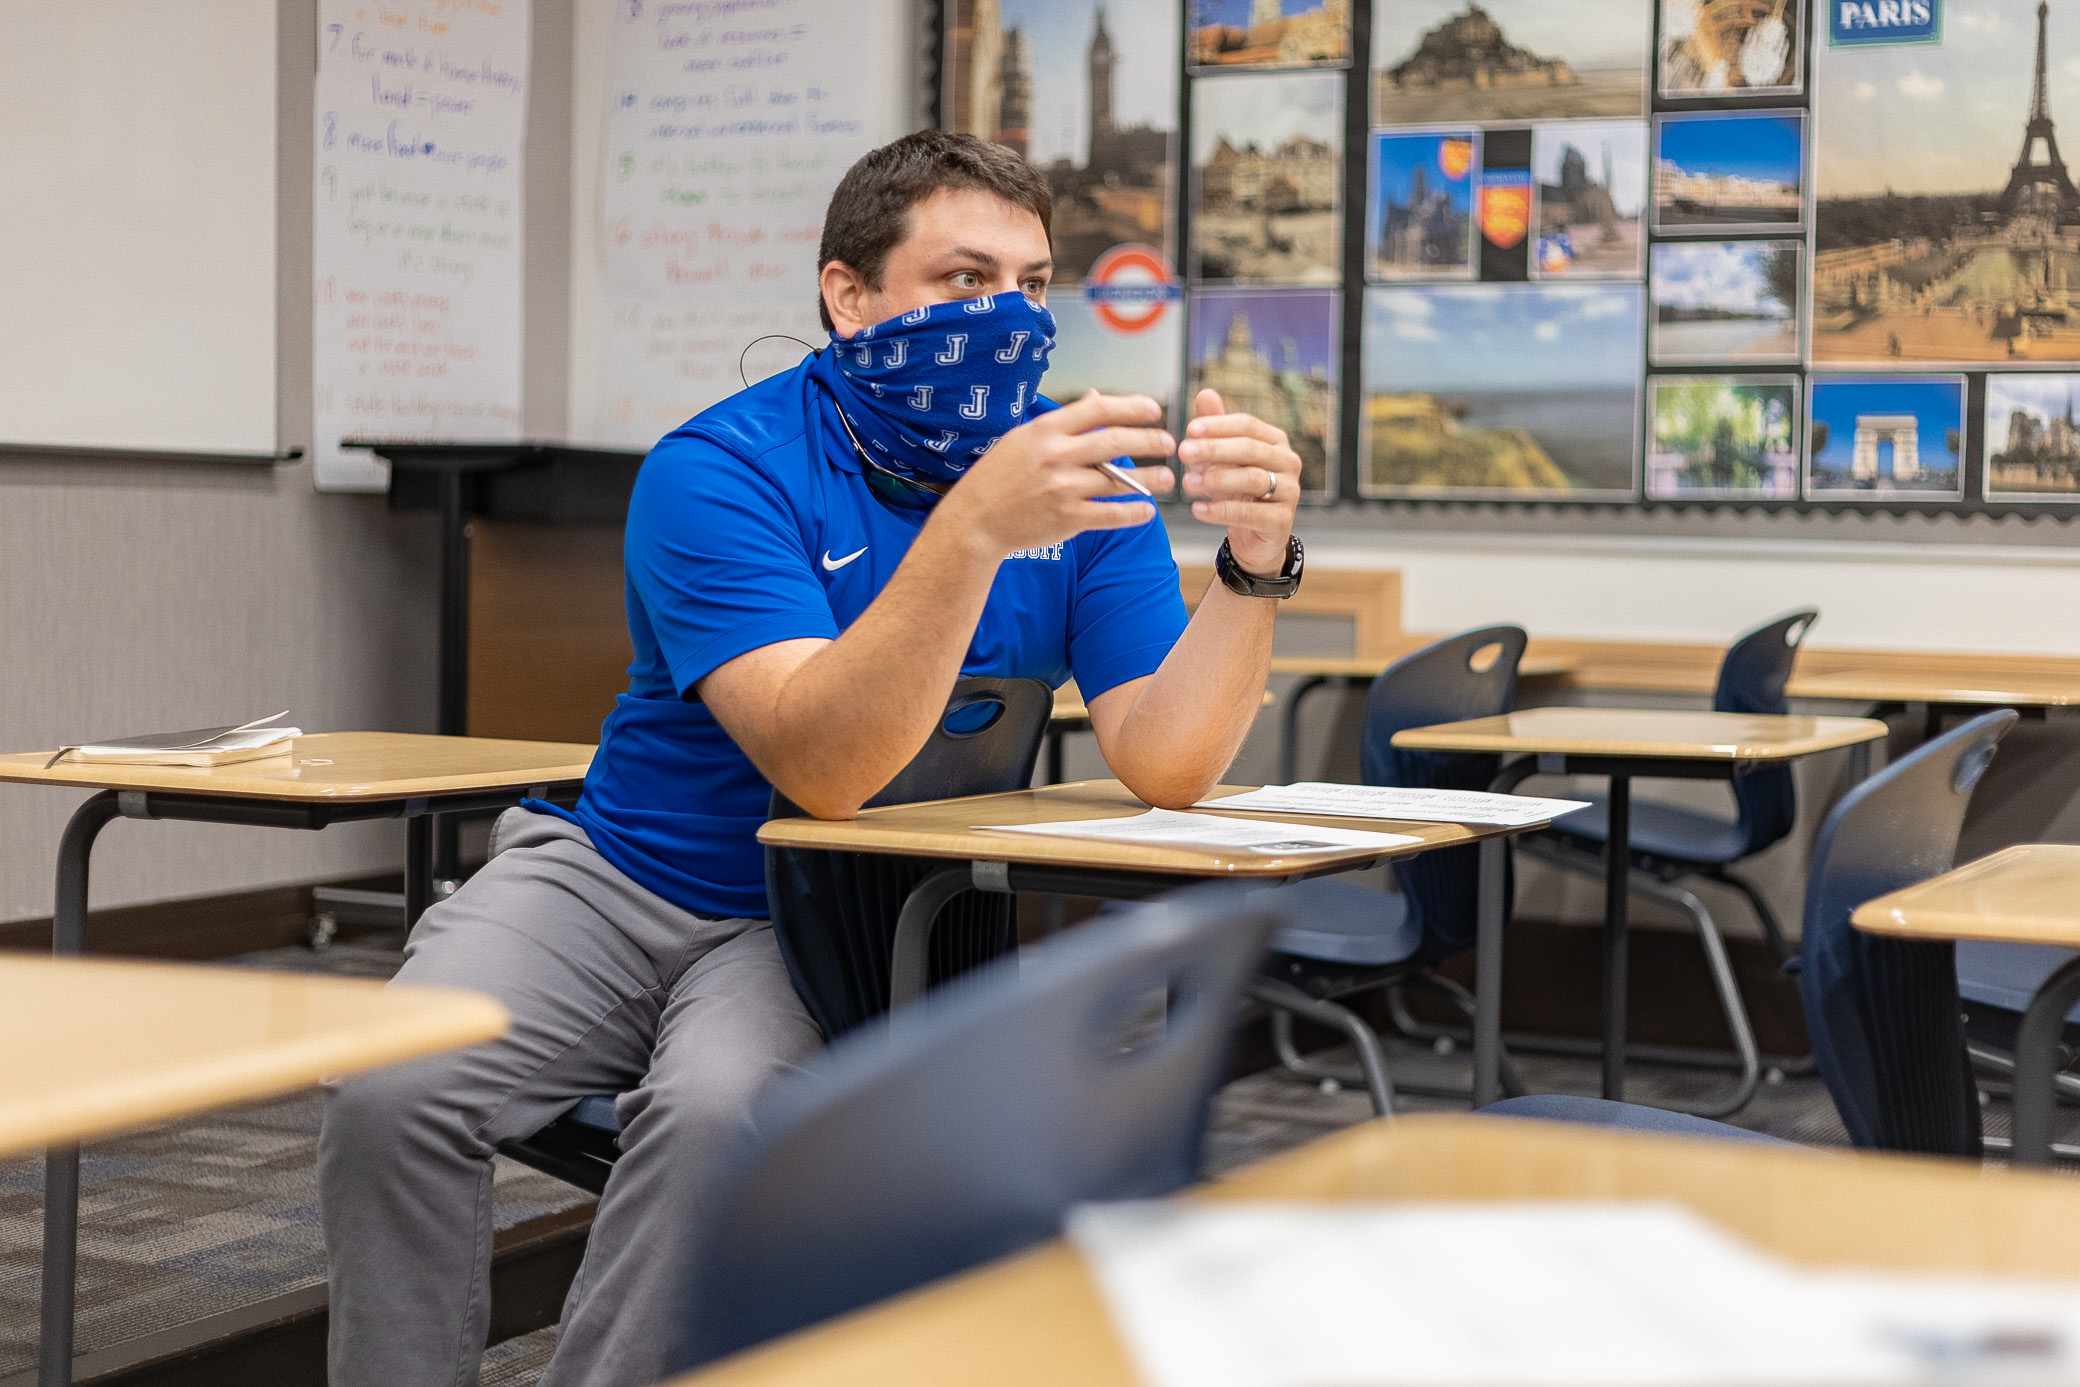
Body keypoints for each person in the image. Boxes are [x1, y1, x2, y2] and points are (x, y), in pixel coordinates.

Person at [318, 128, 1303, 1387]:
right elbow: (820, 757)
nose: (1008, 319)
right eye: (964, 280)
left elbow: (1166, 763)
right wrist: (970, 532)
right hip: (618, 872)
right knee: (391, 1087)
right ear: (849, 294)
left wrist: (1252, 566)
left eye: (1031, 284)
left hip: (829, 904)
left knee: (719, 1119)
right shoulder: (719, 469)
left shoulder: (1081, 490)